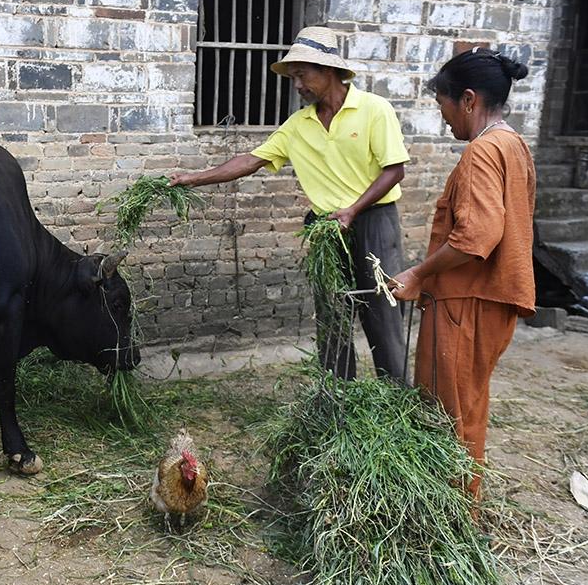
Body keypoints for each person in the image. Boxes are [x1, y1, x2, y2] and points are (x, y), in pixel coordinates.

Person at [171, 26, 410, 381]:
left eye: (302, 76)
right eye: (294, 77)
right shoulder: (298, 125)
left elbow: (394, 170)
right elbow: (250, 160)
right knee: (332, 315)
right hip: (326, 227)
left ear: (328, 71)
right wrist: (193, 178)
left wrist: (353, 209)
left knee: (382, 309)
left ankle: (396, 402)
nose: (297, 85)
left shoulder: (375, 110)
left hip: (374, 222)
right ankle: (336, 398)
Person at [390, 47, 535, 499]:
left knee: (448, 412)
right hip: (490, 300)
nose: (444, 118)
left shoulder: (481, 152)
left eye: (443, 105)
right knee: (468, 407)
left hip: (466, 303)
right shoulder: (513, 145)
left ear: (468, 100)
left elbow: (476, 239)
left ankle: (451, 517)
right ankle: (458, 509)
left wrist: (417, 274)